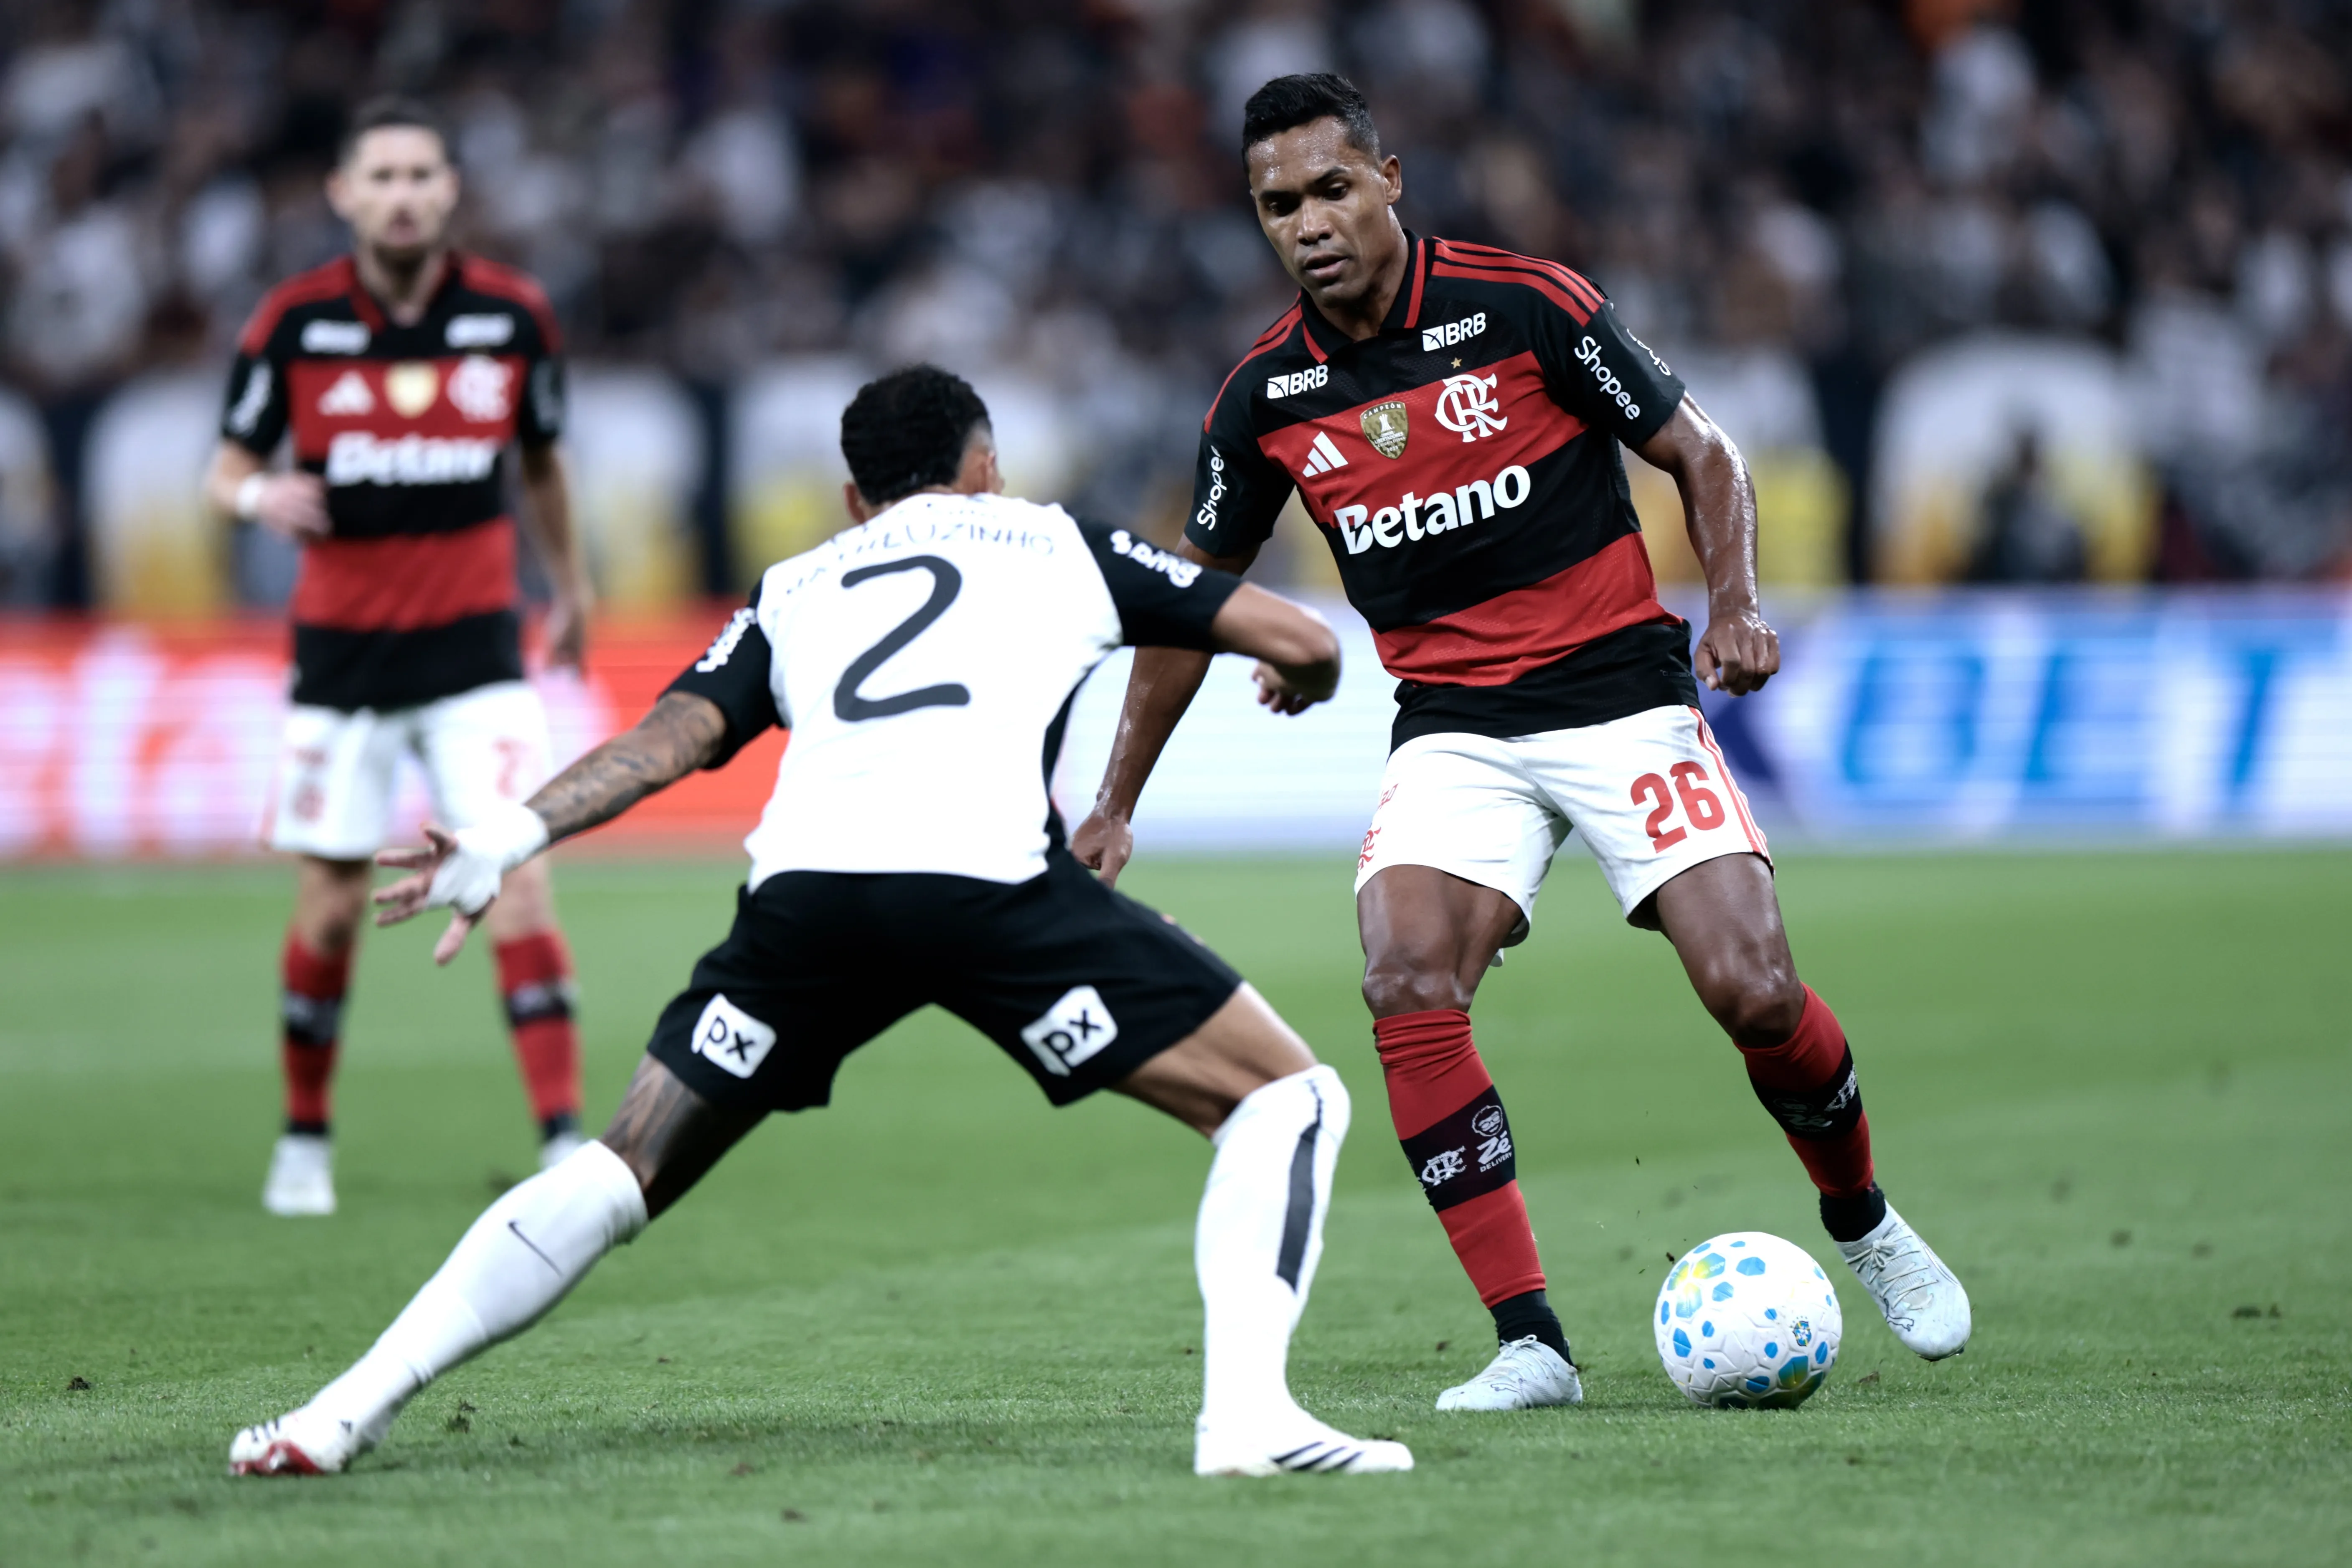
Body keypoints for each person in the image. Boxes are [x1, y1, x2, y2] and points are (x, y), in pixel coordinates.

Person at [229, 365, 1412, 1481]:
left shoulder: (795, 585)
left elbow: (667, 744)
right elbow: (1301, 639)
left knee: (621, 1165)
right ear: (986, 466)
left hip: (806, 900)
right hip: (985, 888)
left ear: (855, 498)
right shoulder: (1057, 540)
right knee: (1285, 1097)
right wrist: (1298, 679)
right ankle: (1247, 1418)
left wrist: (509, 834)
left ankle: (336, 1414)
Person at [1073, 74, 1971, 1412]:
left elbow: (1702, 453)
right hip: (1455, 729)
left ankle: (1865, 1225)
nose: (1309, 223)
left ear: (1387, 179)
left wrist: (1731, 603)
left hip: (1619, 692)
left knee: (1756, 992)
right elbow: (1186, 607)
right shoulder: (1263, 400)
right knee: (1403, 980)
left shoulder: (1523, 302)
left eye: (1330, 189)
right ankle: (1530, 1342)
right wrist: (1112, 802)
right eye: (1278, 206)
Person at [202, 97, 595, 1214]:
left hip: (477, 659)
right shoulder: (293, 323)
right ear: (343, 193)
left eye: (422, 173)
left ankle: (564, 1141)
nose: (403, 193)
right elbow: (221, 468)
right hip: (342, 668)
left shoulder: (513, 317)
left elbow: (543, 466)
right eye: (381, 176)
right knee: (328, 908)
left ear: (451, 188)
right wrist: (257, 492)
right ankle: (304, 1139)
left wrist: (572, 584)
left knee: (519, 883)